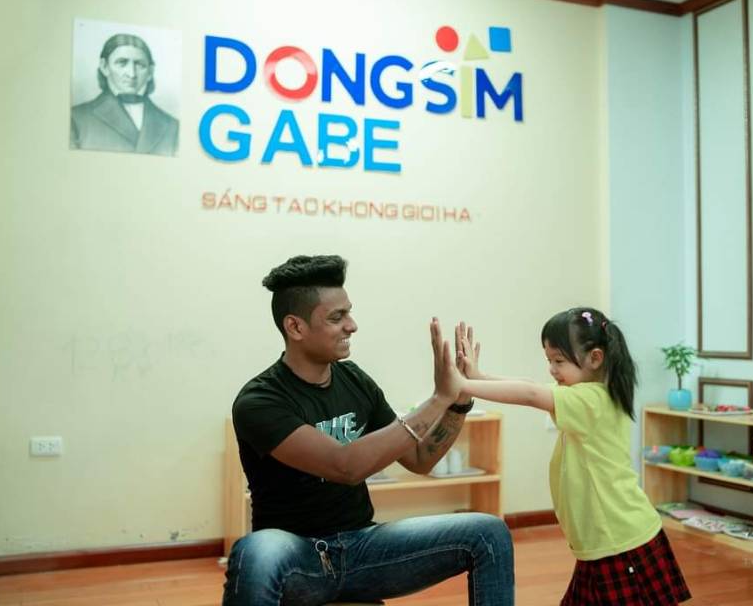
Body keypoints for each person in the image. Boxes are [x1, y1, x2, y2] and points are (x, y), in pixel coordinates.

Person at [224, 255, 514, 606]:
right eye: (336, 317)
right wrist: (439, 398)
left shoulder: (355, 380)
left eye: (349, 313)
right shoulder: (259, 401)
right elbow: (345, 466)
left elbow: (419, 459)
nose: (352, 326)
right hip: (297, 558)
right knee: (255, 551)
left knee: (489, 532)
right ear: (295, 327)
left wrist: (458, 402)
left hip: (364, 550)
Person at [435, 308, 691, 605]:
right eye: (549, 360)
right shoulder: (589, 396)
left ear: (595, 358)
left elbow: (530, 394)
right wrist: (477, 378)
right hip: (605, 541)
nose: (551, 369)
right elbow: (531, 387)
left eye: (559, 361)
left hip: (619, 541)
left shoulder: (591, 400)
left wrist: (463, 385)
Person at [70, 33, 178, 156]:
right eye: (122, 63)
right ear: (104, 67)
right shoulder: (76, 119)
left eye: (140, 65)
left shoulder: (173, 126)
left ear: (150, 72)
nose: (132, 74)